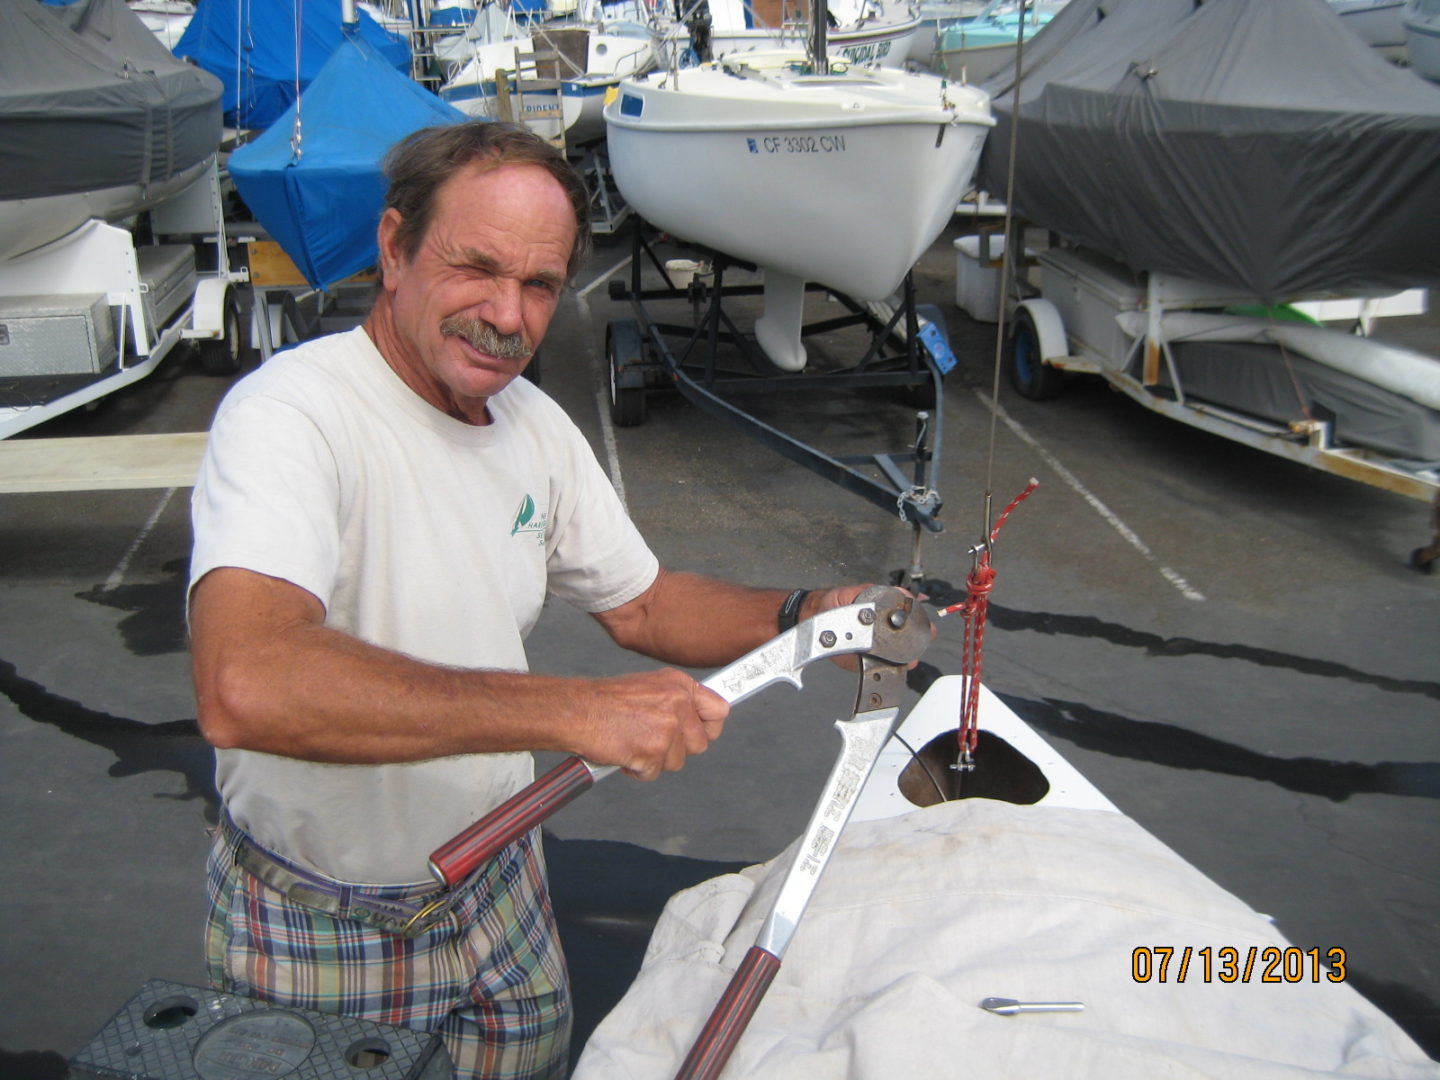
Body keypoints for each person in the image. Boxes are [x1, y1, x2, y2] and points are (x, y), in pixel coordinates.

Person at [187, 120, 873, 1079]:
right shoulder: (291, 418)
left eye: (541, 285)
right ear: (394, 250)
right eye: (477, 269)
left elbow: (642, 605)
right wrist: (576, 710)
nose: (507, 316)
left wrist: (808, 614)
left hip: (501, 887)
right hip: (323, 919)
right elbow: (246, 681)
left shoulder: (531, 425)